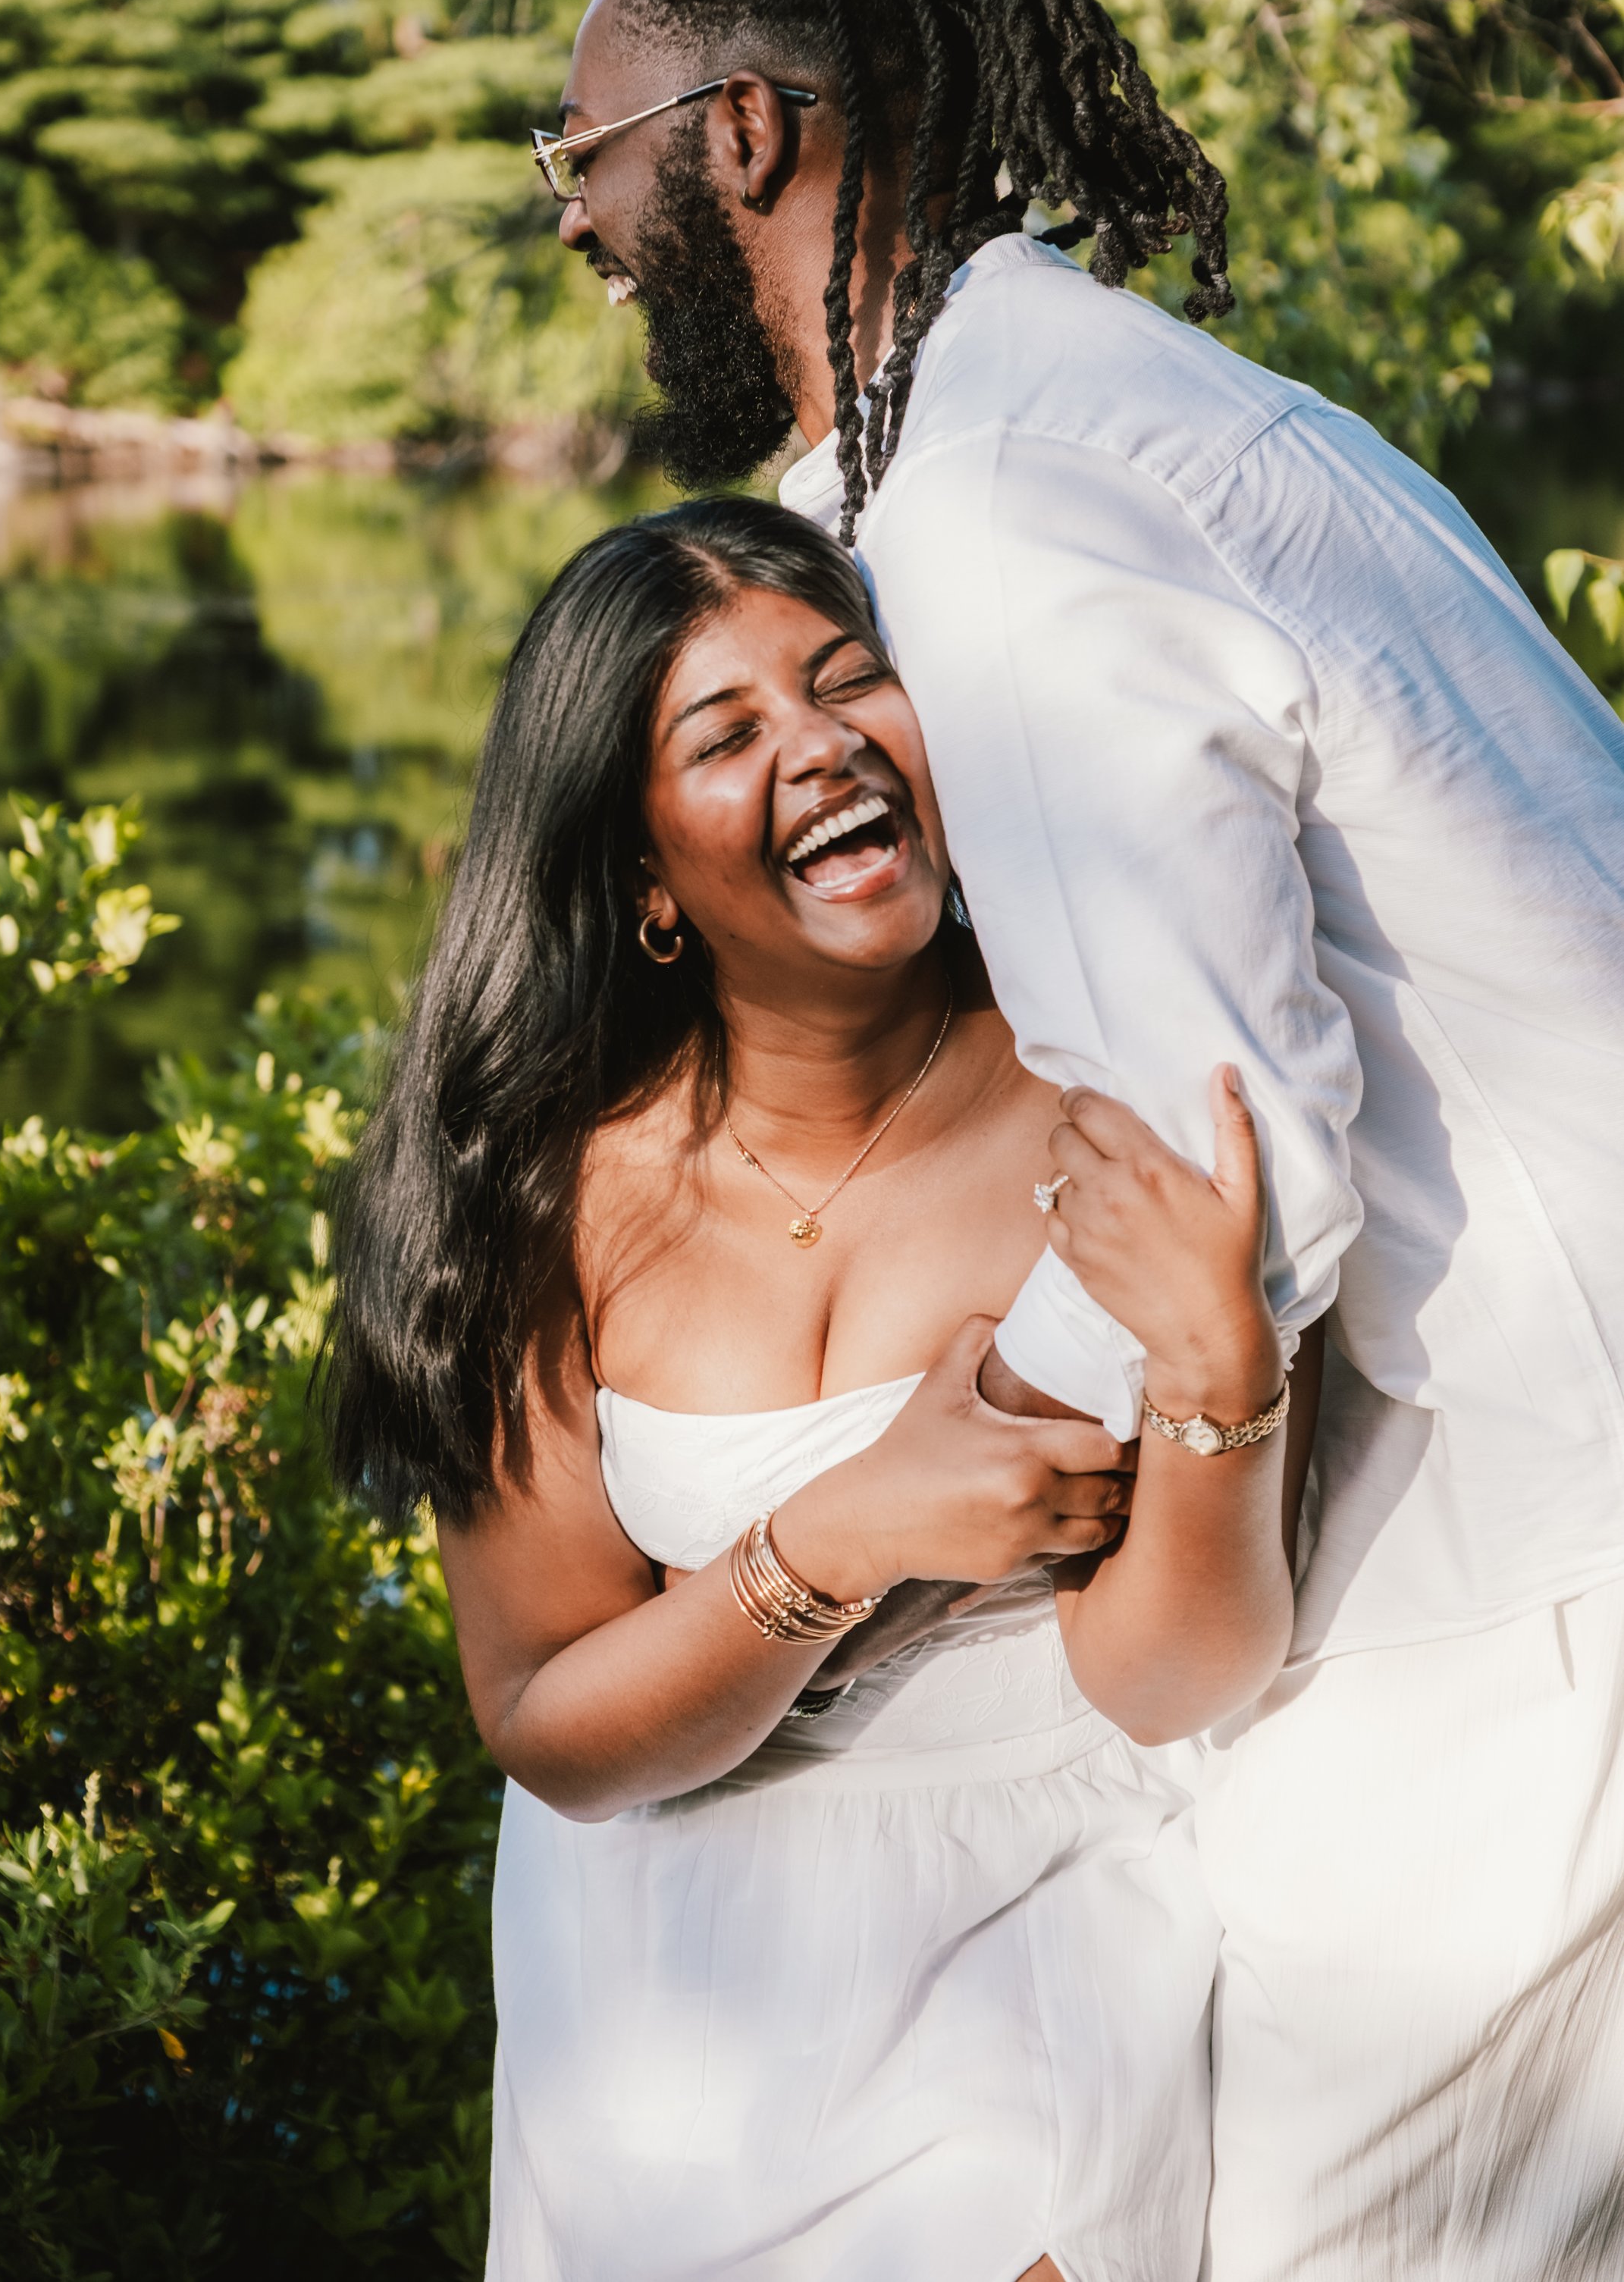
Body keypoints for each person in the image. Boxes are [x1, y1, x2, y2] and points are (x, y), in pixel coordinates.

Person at [535, 0, 1624, 2277]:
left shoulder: (1015, 512)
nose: (574, 223)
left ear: (734, 141)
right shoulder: (1026, 436)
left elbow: (1227, 1171)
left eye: (578, 153)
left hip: (1523, 1569)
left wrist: (836, 1563)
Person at [321, 497, 1314, 2282]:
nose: (823, 744)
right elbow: (548, 1724)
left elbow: (1173, 1674)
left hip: (1031, 1945)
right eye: (727, 734)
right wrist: (838, 1533)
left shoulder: (1108, 1092)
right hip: (650, 1998)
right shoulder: (535, 1199)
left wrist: (1219, 1377)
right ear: (639, 878)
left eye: (851, 681)